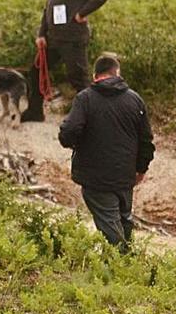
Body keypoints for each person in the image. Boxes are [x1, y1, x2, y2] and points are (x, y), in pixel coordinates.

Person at [58, 54, 154, 253]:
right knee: (123, 220)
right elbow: (147, 140)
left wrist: (76, 144)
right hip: (125, 176)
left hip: (96, 178)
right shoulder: (135, 100)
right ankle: (124, 267)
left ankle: (123, 266)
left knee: (112, 228)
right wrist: (141, 168)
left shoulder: (85, 99)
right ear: (117, 73)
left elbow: (68, 132)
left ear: (95, 75)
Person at [21, 0, 109, 123]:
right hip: (53, 38)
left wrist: (82, 13)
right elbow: (48, 8)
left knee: (79, 80)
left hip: (73, 38)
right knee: (36, 71)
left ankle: (96, 120)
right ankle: (35, 111)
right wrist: (41, 34)